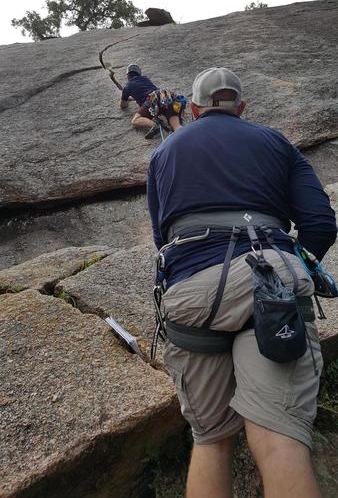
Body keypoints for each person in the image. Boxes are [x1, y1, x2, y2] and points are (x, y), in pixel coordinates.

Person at [147, 66, 337, 498]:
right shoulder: (275, 142)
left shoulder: (164, 152)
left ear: (193, 109)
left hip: (193, 289)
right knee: (279, 439)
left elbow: (163, 237)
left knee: (211, 440)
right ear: (242, 108)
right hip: (270, 281)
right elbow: (321, 224)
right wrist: (300, 265)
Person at [120, 63, 184, 139]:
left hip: (153, 99)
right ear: (139, 74)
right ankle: (182, 132)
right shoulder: (145, 79)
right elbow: (147, 91)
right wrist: (132, 99)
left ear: (127, 75)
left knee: (135, 120)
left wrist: (126, 99)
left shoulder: (127, 86)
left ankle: (155, 125)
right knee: (176, 126)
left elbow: (123, 105)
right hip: (165, 94)